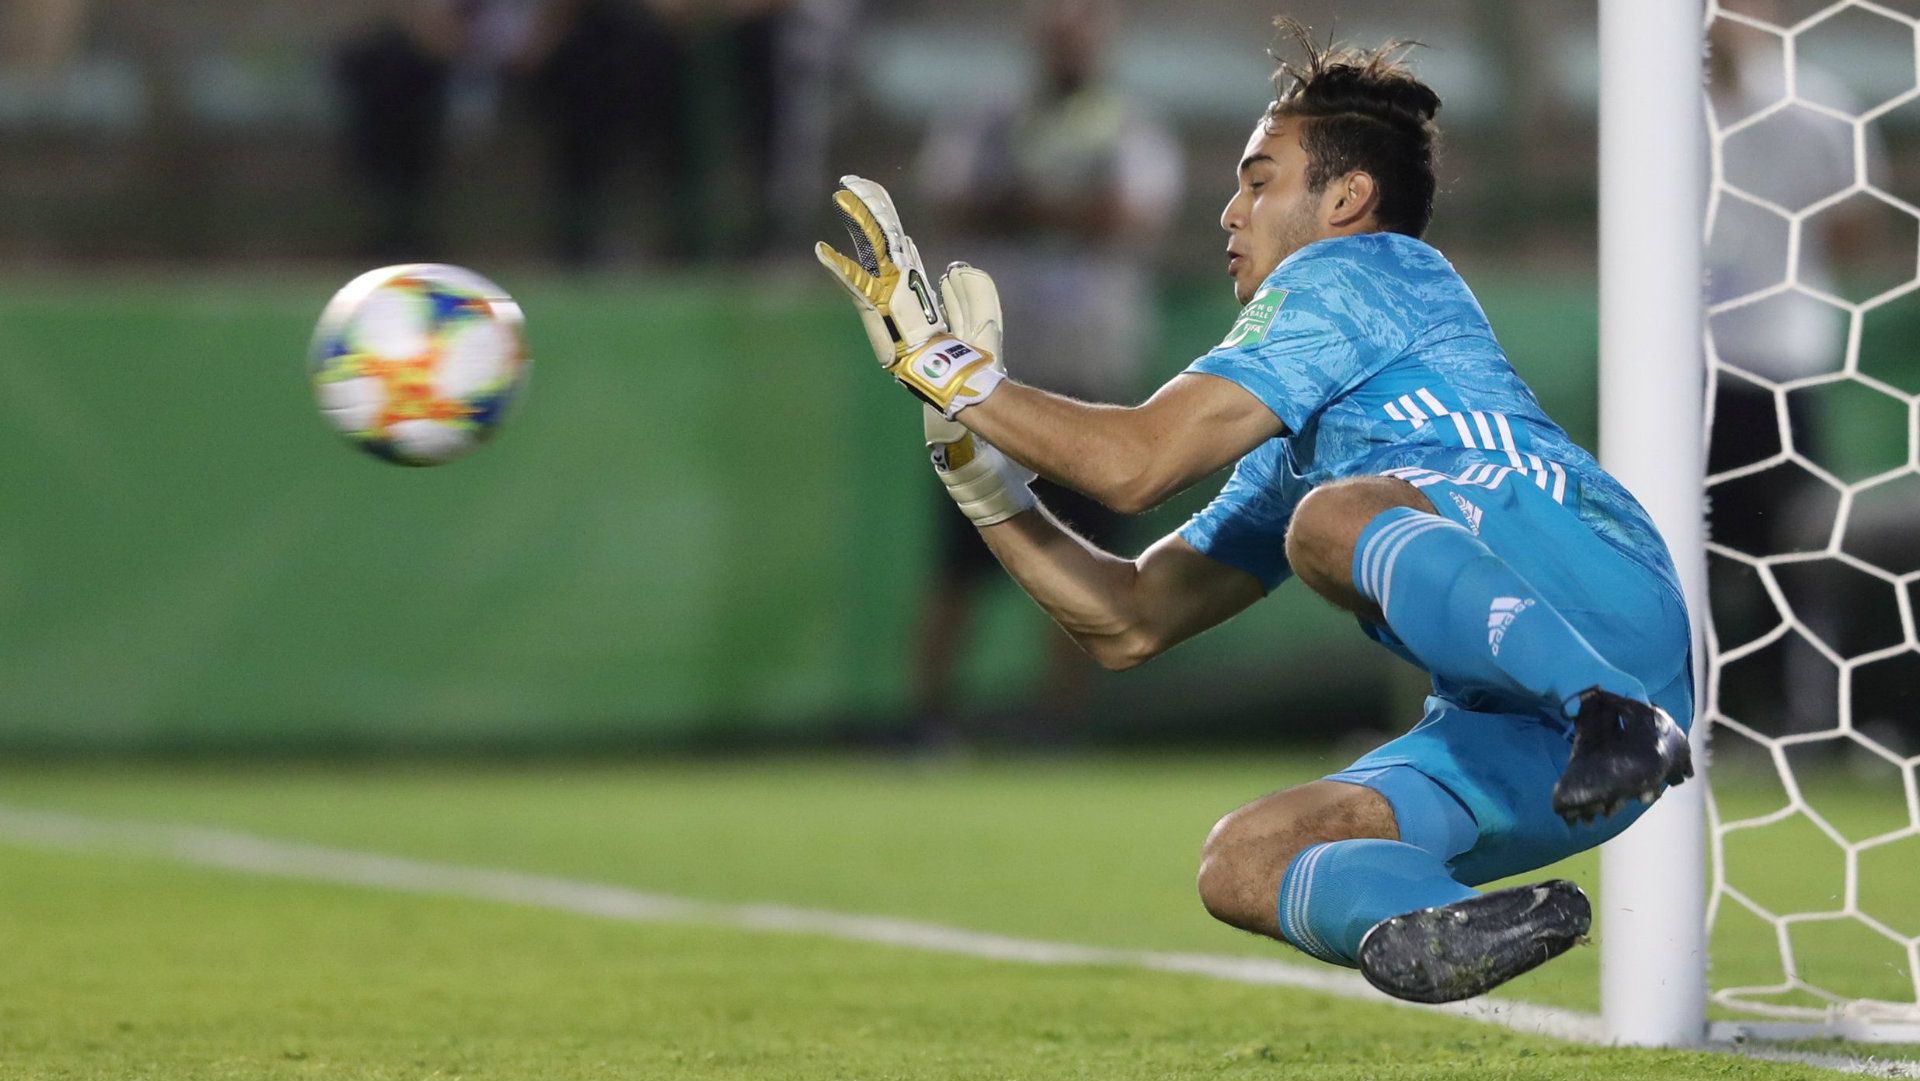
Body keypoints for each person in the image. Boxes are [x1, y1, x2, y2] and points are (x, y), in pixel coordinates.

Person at [816, 20, 1693, 1004]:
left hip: (1589, 599)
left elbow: (1134, 464)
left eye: (1258, 179)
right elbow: (1131, 617)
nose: (1230, 212)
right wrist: (986, 482)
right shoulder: (1299, 445)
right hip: (1528, 743)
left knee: (1327, 525)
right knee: (1244, 860)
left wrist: (946, 368)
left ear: (1347, 199)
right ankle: (1420, 916)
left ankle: (1610, 707)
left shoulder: (1363, 272)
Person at [909, 0, 1182, 743]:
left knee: (1084, 555)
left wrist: (1029, 205)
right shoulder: (987, 121)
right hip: (994, 376)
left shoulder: (1130, 127)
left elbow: (1126, 216)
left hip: (1091, 371)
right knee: (961, 553)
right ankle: (930, 718)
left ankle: (1057, 719)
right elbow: (953, 202)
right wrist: (1058, 206)